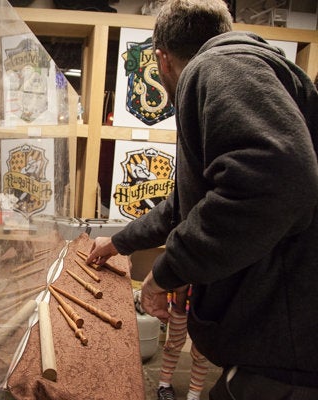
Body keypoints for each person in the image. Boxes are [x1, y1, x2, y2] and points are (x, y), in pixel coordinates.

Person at [86, 0, 318, 398]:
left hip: (281, 355)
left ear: (161, 57)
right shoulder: (261, 69)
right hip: (281, 343)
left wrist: (166, 271)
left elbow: (274, 179)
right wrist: (119, 242)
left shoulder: (218, 66)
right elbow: (187, 205)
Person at [156, 286, 209, 400]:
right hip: (180, 303)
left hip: (207, 309)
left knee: (202, 352)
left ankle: (194, 395)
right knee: (173, 345)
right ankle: (164, 385)